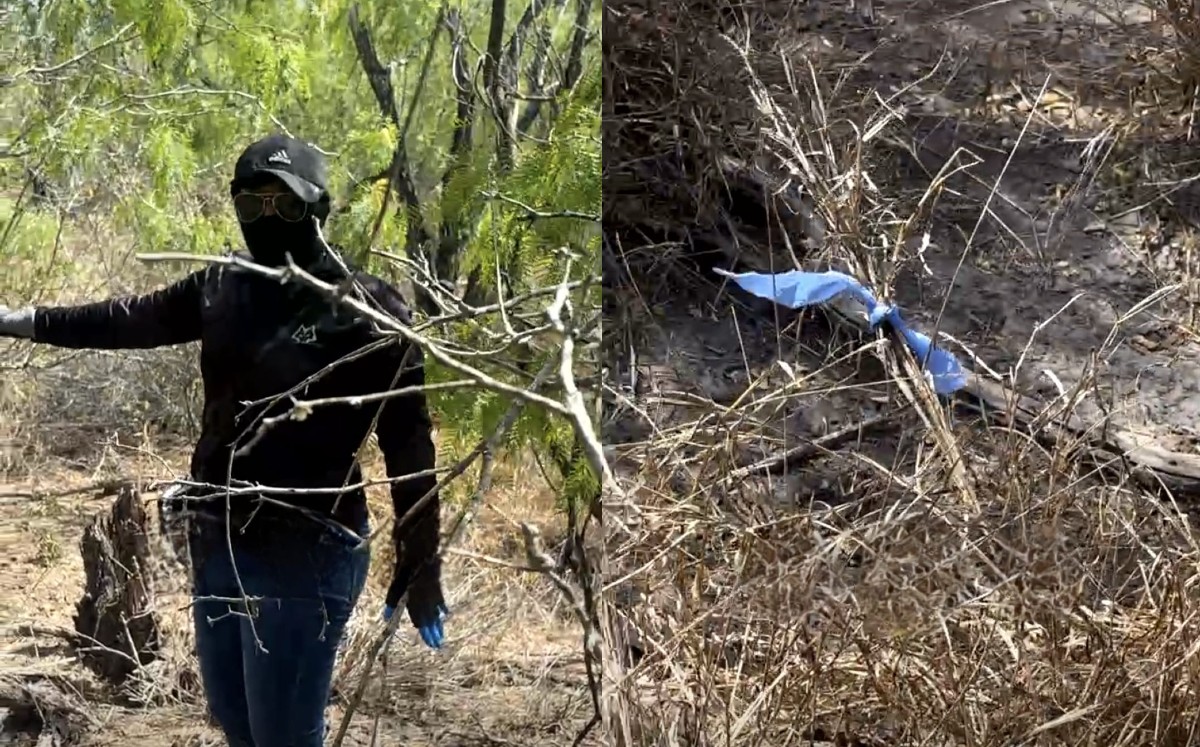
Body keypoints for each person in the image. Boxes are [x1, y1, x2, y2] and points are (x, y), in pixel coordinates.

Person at [0, 134, 448, 747]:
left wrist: (422, 558)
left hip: (308, 545)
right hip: (218, 534)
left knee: (283, 736)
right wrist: (19, 321)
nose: (269, 219)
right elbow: (124, 319)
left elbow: (410, 444)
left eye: (286, 206)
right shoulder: (221, 287)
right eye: (253, 204)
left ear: (319, 209)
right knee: (237, 725)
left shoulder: (366, 308)